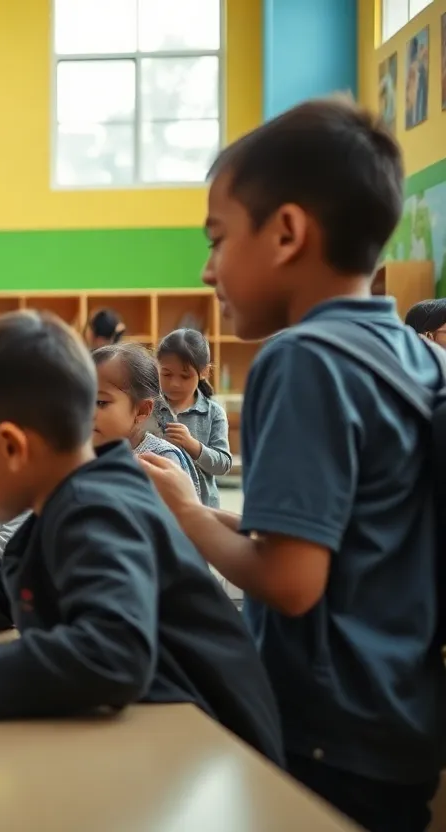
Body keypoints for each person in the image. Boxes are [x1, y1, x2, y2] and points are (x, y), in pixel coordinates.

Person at [139, 98, 444, 831]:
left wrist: (183, 511)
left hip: (321, 731)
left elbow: (291, 581)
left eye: (216, 239)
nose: (207, 268)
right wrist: (214, 511)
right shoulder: (415, 357)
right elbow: (355, 535)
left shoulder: (300, 359)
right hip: (396, 720)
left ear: (286, 232)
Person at [0, 311, 283, 765]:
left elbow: (112, 651)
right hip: (158, 741)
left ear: (11, 447)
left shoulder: (98, 509)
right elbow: (19, 572)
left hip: (215, 754)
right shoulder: (71, 497)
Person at [91, 343, 202, 503]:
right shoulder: (83, 454)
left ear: (142, 410)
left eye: (100, 402)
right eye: (83, 401)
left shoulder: (160, 460)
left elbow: (176, 520)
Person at [156, 328, 232, 508]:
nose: (174, 383)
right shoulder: (149, 408)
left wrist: (194, 447)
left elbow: (223, 465)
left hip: (202, 509)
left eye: (185, 376)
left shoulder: (213, 413)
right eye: (166, 374)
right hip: (160, 508)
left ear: (204, 372)